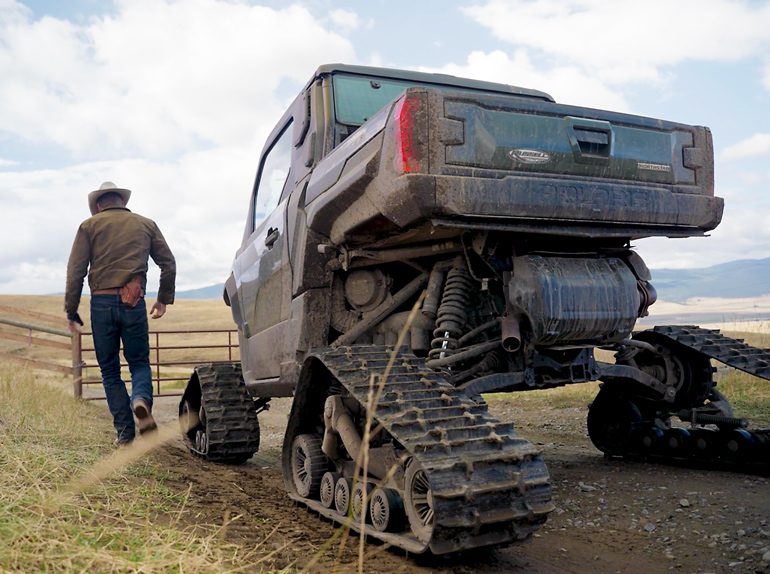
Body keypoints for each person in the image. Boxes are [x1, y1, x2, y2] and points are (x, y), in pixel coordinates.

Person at [65, 182, 176, 445]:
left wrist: (71, 310)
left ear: (100, 205)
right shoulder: (146, 224)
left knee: (110, 371)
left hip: (101, 305)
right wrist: (162, 300)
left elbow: (76, 272)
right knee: (138, 362)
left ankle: (125, 434)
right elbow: (168, 263)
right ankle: (140, 400)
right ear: (122, 202)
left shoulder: (89, 226)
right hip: (133, 303)